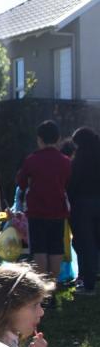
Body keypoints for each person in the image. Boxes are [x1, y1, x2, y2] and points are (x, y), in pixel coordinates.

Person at [16, 119, 71, 281]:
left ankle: (42, 287)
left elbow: (21, 182)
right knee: (55, 248)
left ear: (39, 139)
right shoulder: (66, 161)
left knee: (40, 249)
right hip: (58, 210)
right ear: (58, 138)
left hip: (37, 210)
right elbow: (68, 183)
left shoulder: (32, 160)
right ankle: (52, 284)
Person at [67, 127, 100, 296]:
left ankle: (88, 284)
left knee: (85, 244)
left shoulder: (78, 160)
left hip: (82, 205)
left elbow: (71, 185)